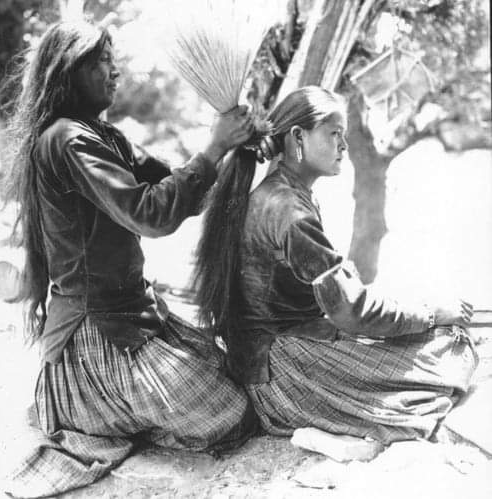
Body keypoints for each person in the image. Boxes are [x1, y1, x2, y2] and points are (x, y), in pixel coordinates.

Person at [4, 21, 262, 497]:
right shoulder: (67, 140)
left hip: (128, 318)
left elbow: (179, 190)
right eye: (102, 60)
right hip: (94, 337)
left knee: (226, 370)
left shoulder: (102, 136)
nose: (115, 70)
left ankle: (126, 412)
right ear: (70, 70)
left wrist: (229, 148)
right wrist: (215, 146)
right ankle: (102, 412)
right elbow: (151, 215)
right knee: (228, 411)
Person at [193, 85, 478, 461]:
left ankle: (334, 424)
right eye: (334, 133)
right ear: (298, 137)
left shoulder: (280, 195)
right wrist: (431, 312)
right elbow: (353, 311)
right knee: (452, 344)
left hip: (267, 364)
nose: (344, 145)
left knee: (431, 339)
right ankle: (333, 428)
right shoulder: (289, 212)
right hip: (283, 374)